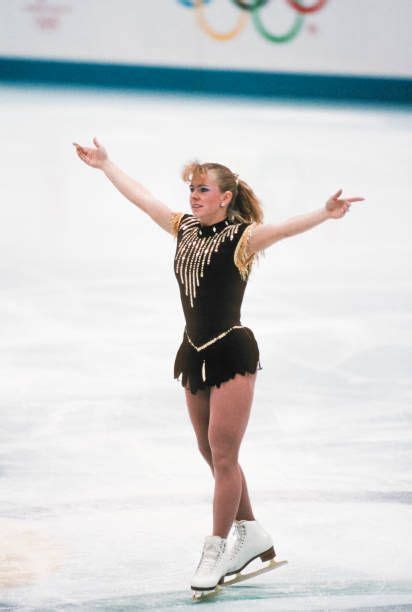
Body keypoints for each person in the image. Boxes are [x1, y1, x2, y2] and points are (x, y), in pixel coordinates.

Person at [73, 137, 364, 595]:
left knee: (224, 454)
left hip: (230, 351)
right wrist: (107, 165)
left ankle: (216, 548)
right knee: (209, 452)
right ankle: (251, 531)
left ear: (225, 198)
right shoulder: (183, 227)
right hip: (193, 351)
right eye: (192, 188)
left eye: (203, 190)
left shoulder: (242, 238)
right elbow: (143, 198)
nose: (193, 195)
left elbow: (285, 229)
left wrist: (324, 213)